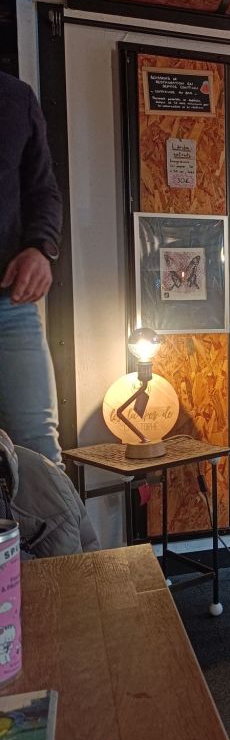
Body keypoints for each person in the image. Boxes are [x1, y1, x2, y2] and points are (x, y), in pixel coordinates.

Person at [0, 70, 63, 466]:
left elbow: (43, 191)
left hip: (9, 303)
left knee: (39, 453)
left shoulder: (15, 97)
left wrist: (40, 248)